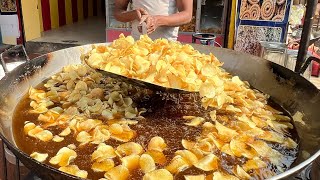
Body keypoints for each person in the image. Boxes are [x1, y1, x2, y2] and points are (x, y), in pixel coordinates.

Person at [114, 0, 193, 41]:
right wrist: (133, 14)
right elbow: (118, 12)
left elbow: (187, 14)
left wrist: (157, 20)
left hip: (166, 49)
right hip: (137, 48)